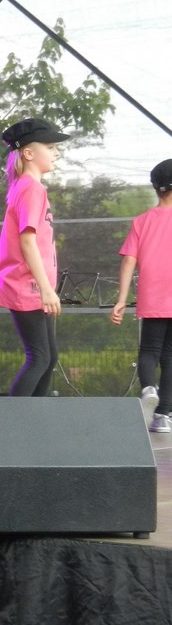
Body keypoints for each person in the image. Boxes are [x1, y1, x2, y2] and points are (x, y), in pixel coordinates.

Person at [0, 118, 69, 397]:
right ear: (28, 153)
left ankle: (36, 416)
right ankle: (16, 418)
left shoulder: (28, 187)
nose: (56, 152)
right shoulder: (30, 188)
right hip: (28, 287)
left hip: (34, 286)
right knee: (39, 357)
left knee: (48, 357)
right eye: (50, 147)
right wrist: (46, 289)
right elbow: (27, 241)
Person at [111, 158, 172, 433]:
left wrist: (121, 299)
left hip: (153, 295)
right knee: (170, 355)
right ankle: (163, 416)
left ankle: (148, 389)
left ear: (156, 188)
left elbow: (128, 261)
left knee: (149, 349)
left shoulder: (142, 221)